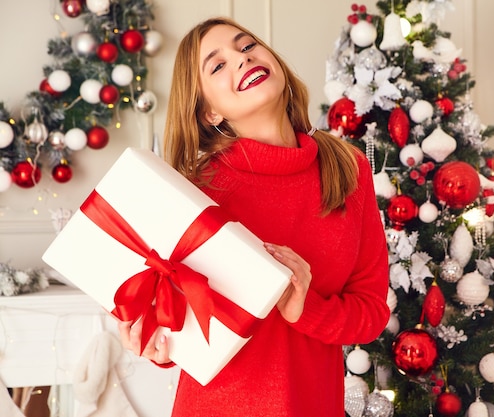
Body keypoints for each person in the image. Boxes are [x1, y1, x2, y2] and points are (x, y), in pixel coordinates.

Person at [118, 16, 390, 417]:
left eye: (246, 47)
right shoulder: (193, 191)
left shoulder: (348, 169)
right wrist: (156, 342)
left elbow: (371, 313)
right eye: (218, 65)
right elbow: (173, 321)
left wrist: (305, 310)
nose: (241, 60)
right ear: (208, 111)